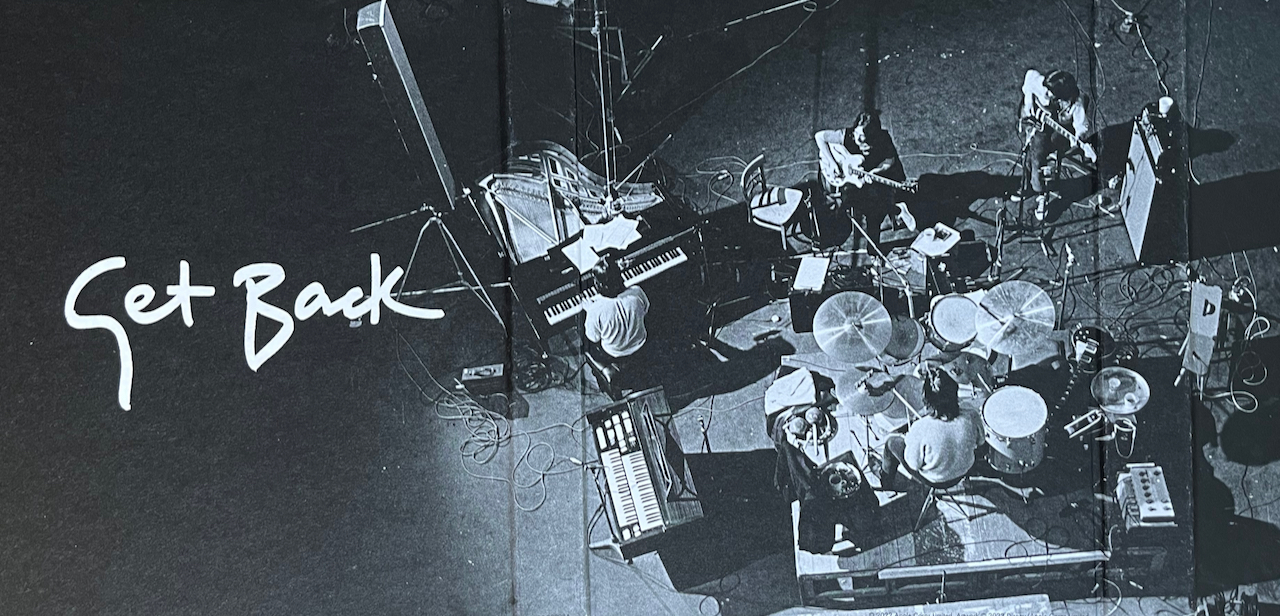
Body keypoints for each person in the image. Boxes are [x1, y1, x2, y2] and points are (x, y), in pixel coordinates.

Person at [877, 368, 985, 490]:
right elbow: (981, 441)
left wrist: (912, 440)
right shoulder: (971, 413)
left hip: (936, 480)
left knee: (891, 443)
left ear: (927, 401)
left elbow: (913, 464)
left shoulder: (920, 427)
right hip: (965, 469)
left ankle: (886, 482)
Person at [814, 111, 913, 240]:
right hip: (852, 176)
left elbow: (889, 160)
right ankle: (895, 210)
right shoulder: (847, 135)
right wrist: (832, 163)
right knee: (856, 201)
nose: (858, 139)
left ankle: (876, 243)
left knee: (874, 210)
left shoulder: (883, 139)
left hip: (874, 171)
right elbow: (819, 137)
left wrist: (875, 172)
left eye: (863, 138)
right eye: (857, 133)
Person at [1016, 69, 1095, 213]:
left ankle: (1040, 192)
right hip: (1040, 125)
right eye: (1046, 89)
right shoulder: (1044, 84)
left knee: (1037, 154)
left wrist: (1078, 140)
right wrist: (1028, 105)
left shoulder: (1076, 104)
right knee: (1030, 150)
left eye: (1050, 92)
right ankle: (1027, 186)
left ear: (1061, 96)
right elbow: (1030, 75)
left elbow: (1081, 127)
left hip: (1060, 131)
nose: (1045, 93)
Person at [582, 257, 650, 360]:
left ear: (598, 284)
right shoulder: (637, 292)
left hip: (614, 353)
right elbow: (645, 309)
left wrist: (590, 310)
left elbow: (594, 338)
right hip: (640, 342)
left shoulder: (595, 310)